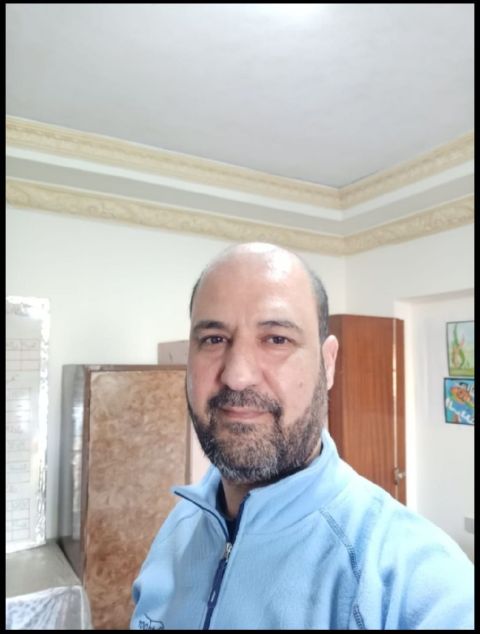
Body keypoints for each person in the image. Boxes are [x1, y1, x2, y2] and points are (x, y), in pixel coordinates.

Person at [131, 242, 474, 630]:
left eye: (277, 339)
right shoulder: (179, 528)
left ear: (328, 363)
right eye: (214, 339)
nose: (237, 375)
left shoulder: (416, 582)